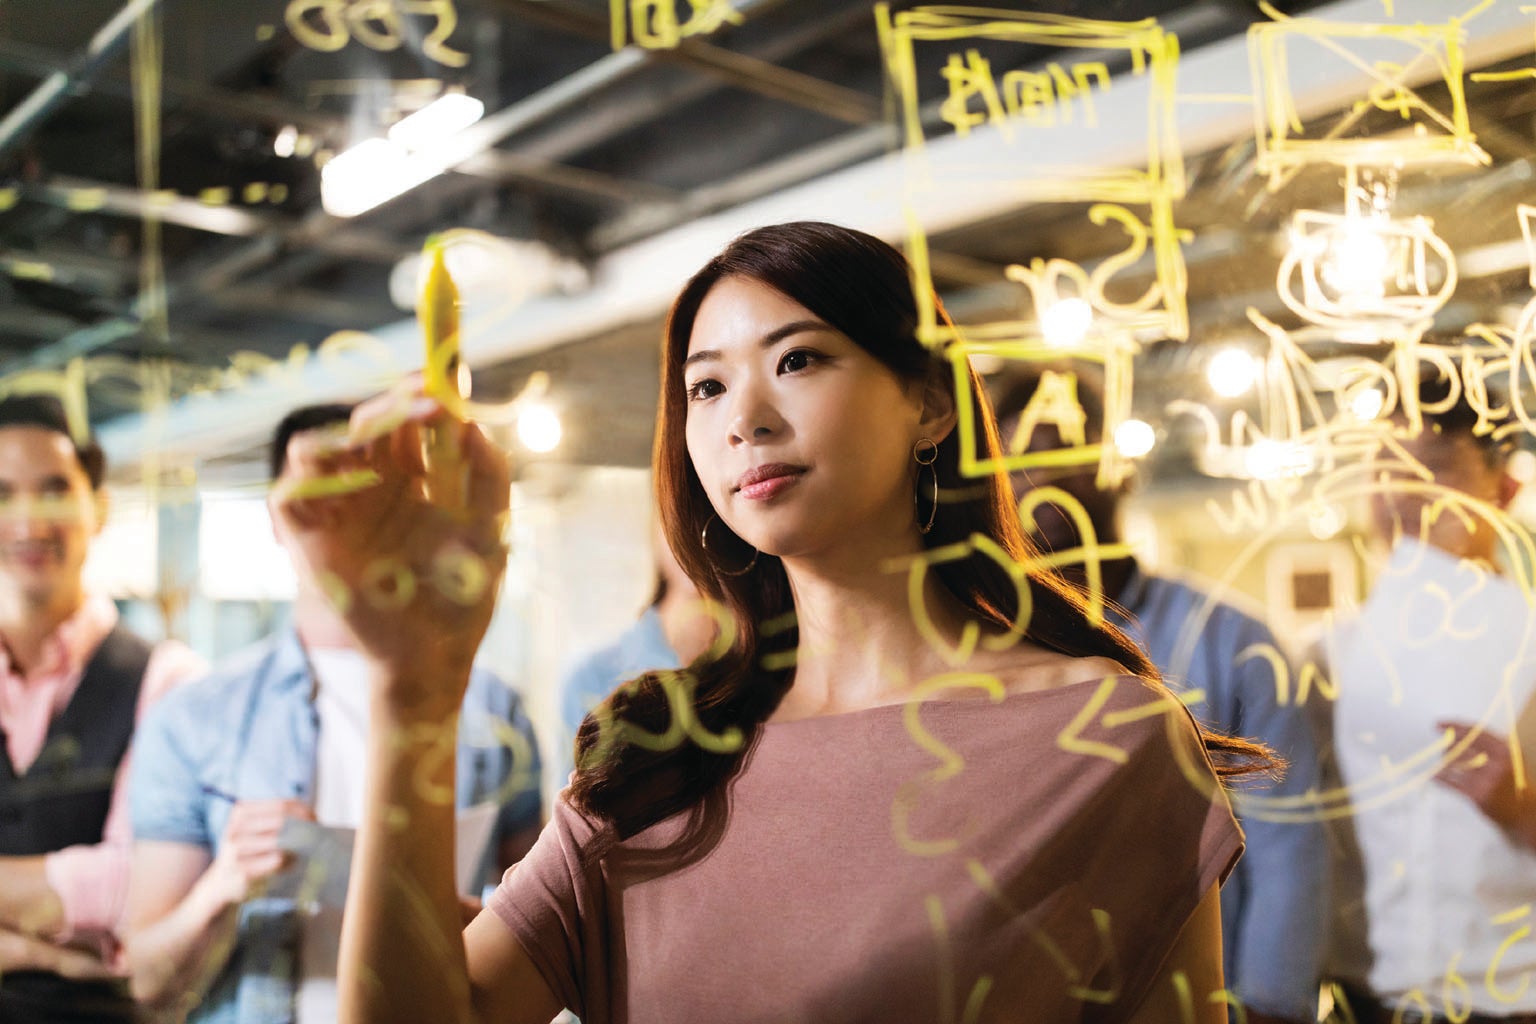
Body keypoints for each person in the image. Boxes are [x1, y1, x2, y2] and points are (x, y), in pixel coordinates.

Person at [277, 222, 1265, 1024]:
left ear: (928, 405)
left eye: (797, 360)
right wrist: (416, 685)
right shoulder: (659, 752)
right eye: (706, 385)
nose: (743, 415)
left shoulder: (1106, 738)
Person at [122, 402, 543, 1023]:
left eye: (363, 485)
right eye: (318, 483)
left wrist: (462, 928)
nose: (343, 512)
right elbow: (144, 981)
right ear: (276, 514)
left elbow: (543, 947)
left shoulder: (493, 711)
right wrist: (221, 888)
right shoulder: (193, 719)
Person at [989, 367, 1328, 1024]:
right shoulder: (974, 655)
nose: (1045, 480)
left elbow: (1289, 844)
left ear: (1118, 468)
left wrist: (1270, 1006)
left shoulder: (1234, 641)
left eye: (1068, 452)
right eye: (1021, 461)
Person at [1319, 372, 1536, 1023]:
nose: (1404, 493)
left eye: (1436, 468)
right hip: (1374, 997)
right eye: (1385, 467)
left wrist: (1521, 811)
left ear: (1504, 490)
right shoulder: (1334, 649)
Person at [0, 394, 203, 1023]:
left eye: (55, 491)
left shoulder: (166, 681)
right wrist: (54, 953)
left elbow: (138, 884)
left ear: (100, 507)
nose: (30, 522)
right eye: (3, 494)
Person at [558, 526, 715, 780]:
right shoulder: (590, 677)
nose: (697, 535)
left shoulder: (772, 671)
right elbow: (572, 811)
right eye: (679, 509)